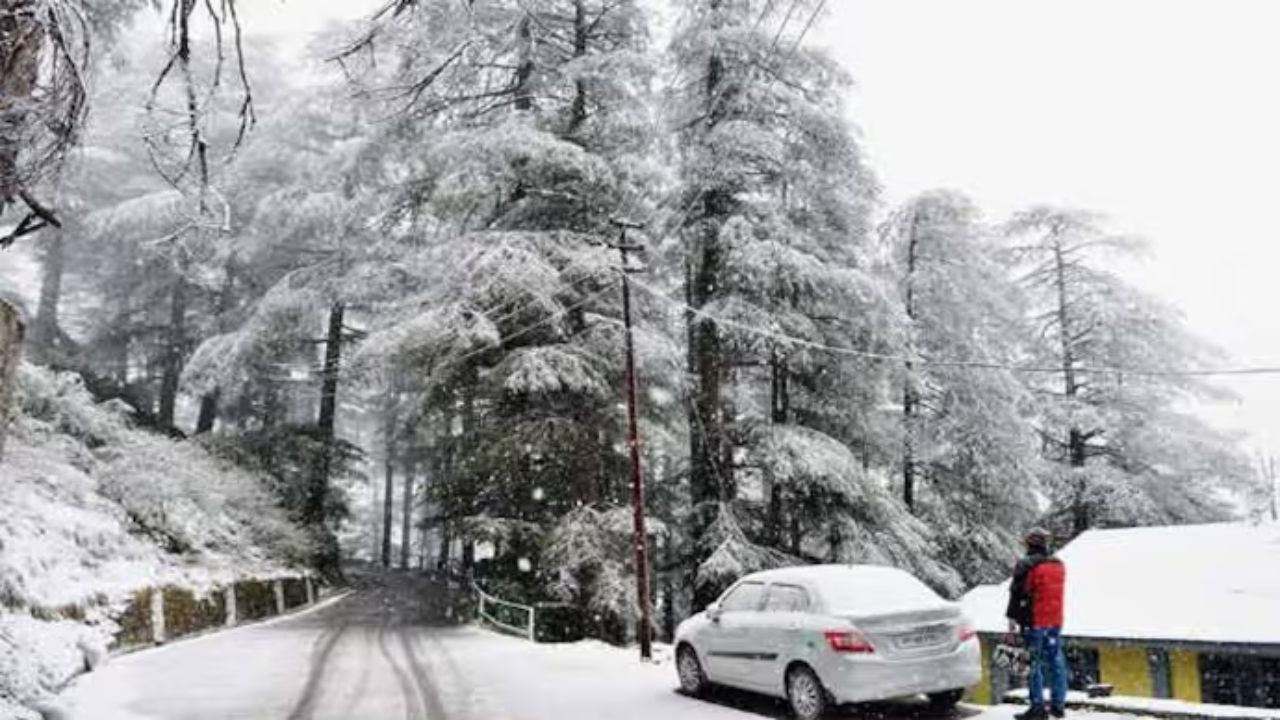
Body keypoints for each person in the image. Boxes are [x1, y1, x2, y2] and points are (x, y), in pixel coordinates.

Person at [1006, 528, 1068, 719]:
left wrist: (1011, 620)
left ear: (1029, 545)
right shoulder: (1058, 565)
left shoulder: (1026, 566)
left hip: (1035, 622)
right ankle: (1058, 704)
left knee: (1034, 664)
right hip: (1055, 621)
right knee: (1056, 661)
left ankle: (1038, 708)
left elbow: (1017, 594)